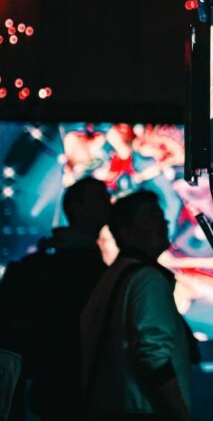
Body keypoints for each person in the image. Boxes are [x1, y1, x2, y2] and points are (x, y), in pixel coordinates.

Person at [0, 178, 110, 420]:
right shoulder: (74, 267)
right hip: (64, 383)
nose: (108, 204)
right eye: (99, 198)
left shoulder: (53, 262)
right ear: (77, 207)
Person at [81, 191, 196, 420]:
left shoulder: (113, 276)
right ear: (125, 231)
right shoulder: (147, 278)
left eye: (160, 215)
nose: (163, 222)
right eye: (150, 215)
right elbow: (153, 355)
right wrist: (180, 414)